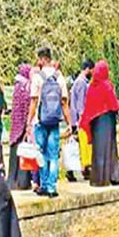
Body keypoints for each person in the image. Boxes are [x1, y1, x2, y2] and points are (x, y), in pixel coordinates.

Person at [29, 54, 69, 198]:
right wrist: (69, 122)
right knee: (53, 155)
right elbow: (64, 102)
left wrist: (29, 121)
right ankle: (52, 187)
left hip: (40, 121)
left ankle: (44, 185)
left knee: (41, 153)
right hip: (55, 121)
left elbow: (34, 102)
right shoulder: (59, 77)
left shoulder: (37, 77)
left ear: (42, 59)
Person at [80, 60, 119, 187]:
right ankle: (111, 176)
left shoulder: (91, 87)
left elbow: (88, 106)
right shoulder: (107, 85)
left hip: (95, 123)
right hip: (107, 120)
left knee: (98, 150)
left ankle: (97, 179)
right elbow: (113, 104)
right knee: (109, 148)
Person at [6, 64, 35, 191]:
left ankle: (12, 181)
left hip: (15, 125)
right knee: (23, 153)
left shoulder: (17, 86)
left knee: (15, 154)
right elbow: (27, 107)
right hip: (22, 125)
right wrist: (28, 124)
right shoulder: (26, 87)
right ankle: (22, 182)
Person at [69, 60, 94, 176]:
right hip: (81, 119)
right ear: (88, 69)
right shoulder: (81, 83)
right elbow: (80, 104)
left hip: (79, 119)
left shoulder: (79, 82)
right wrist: (83, 119)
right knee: (84, 144)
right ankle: (85, 167)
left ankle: (85, 166)